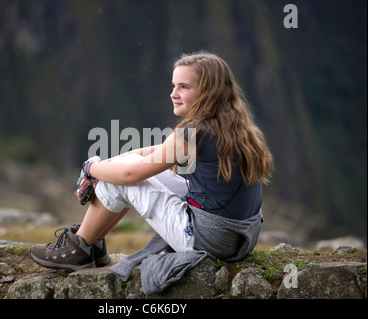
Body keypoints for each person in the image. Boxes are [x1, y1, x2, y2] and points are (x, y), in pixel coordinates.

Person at [30, 52, 273, 290]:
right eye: (173, 85)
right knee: (127, 169)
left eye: (184, 87)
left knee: (121, 180)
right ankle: (91, 245)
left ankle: (79, 247)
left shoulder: (192, 132)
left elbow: (130, 176)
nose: (173, 94)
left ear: (208, 92)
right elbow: (153, 153)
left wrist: (90, 167)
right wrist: (107, 166)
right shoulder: (238, 129)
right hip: (239, 238)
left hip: (208, 240)